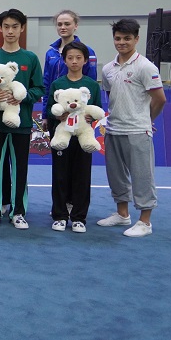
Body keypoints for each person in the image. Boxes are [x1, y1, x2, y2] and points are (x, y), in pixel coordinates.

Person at [97, 19, 166, 237]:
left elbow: (160, 99)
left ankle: (145, 222)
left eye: (127, 38)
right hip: (113, 129)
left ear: (136, 39)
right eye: (118, 38)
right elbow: (112, 96)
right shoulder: (108, 69)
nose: (122, 42)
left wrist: (147, 119)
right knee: (116, 176)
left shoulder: (146, 67)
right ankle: (122, 214)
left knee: (142, 177)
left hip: (138, 131)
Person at [0, 9, 44, 230]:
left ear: (22, 29)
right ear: (0, 29)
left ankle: (18, 212)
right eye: (6, 26)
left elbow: (39, 89)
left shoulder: (30, 58)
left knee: (20, 170)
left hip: (22, 124)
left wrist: (22, 97)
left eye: (15, 27)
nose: (10, 31)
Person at [46, 41, 101, 233]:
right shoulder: (58, 84)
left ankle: (79, 217)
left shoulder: (91, 85)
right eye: (70, 58)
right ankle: (59, 215)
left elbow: (98, 108)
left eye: (78, 58)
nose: (74, 61)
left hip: (83, 137)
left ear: (85, 60)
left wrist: (91, 117)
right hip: (62, 135)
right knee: (60, 175)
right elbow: (49, 108)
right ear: (64, 60)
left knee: (82, 176)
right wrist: (57, 116)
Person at [42, 9, 97, 131]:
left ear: (75, 26)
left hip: (79, 112)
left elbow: (91, 84)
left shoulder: (87, 51)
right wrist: (45, 114)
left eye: (67, 24)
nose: (63, 27)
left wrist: (89, 112)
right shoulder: (50, 53)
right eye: (59, 24)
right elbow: (46, 84)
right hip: (57, 112)